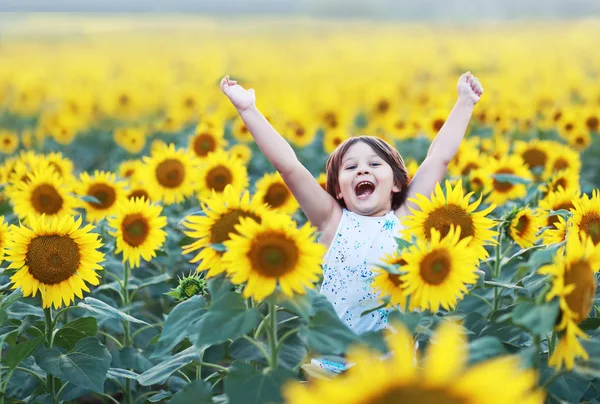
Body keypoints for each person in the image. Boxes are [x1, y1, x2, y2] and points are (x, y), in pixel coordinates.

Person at [220, 71, 483, 337]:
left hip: (392, 367)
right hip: (333, 363)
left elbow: (438, 158)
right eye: (351, 167)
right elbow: (289, 167)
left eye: (374, 164)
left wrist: (465, 101)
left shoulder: (406, 217)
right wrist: (248, 109)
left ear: (397, 183)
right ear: (338, 190)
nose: (362, 171)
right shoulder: (332, 221)